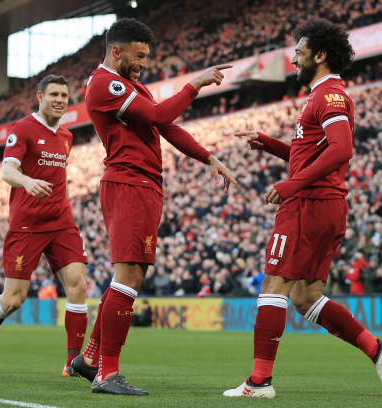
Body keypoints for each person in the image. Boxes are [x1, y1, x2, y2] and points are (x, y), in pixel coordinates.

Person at [223, 19, 382, 399]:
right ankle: (377, 350)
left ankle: (259, 383)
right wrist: (269, 144)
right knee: (305, 297)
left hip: (308, 204)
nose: (293, 59)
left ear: (320, 55)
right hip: (325, 204)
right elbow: (313, 154)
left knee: (274, 284)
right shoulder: (322, 96)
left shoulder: (330, 95)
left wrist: (291, 185)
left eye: (299, 53)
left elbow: (341, 149)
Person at [69, 18, 236, 396]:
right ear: (116, 51)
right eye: (139, 56)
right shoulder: (104, 83)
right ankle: (107, 373)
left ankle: (91, 358)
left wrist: (207, 156)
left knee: (130, 275)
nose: (144, 63)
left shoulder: (131, 85)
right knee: (128, 275)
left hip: (143, 184)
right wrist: (194, 84)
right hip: (128, 183)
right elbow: (161, 116)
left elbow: (165, 127)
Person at [0, 75, 89, 377]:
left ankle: (72, 364)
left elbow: (60, 178)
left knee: (77, 283)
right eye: (54, 95)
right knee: (14, 299)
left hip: (61, 222)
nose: (60, 100)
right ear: (40, 97)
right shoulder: (22, 129)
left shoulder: (66, 136)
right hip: (27, 225)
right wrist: (27, 181)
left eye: (64, 95)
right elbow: (7, 171)